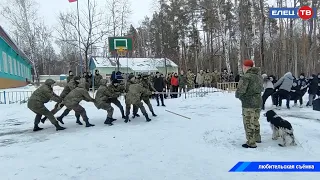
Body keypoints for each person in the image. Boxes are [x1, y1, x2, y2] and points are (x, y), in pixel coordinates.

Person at [235, 59, 263, 148]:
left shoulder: (246, 77)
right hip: (258, 102)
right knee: (255, 120)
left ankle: (251, 142)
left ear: (246, 67)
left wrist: (239, 96)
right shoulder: (259, 76)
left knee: (248, 122)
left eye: (243, 67)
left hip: (248, 103)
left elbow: (240, 90)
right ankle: (257, 137)